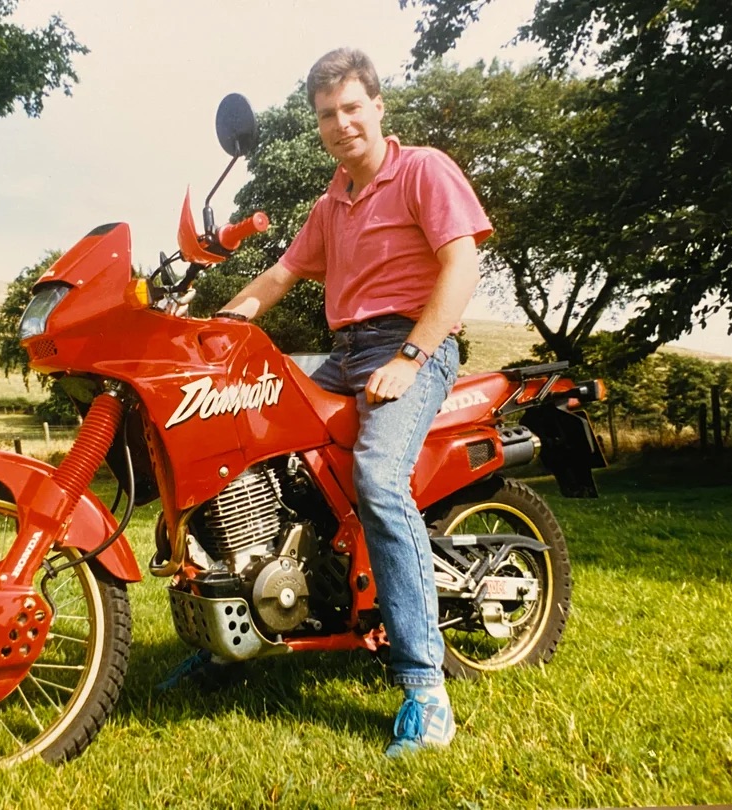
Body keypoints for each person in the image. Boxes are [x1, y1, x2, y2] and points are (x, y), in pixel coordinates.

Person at [214, 47, 493, 756]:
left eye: (350, 108)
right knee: (240, 429)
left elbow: (463, 262)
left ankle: (425, 689)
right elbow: (278, 276)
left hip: (414, 344)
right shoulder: (329, 202)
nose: (340, 125)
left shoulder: (423, 169)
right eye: (326, 116)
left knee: (377, 477)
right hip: (344, 354)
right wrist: (216, 330)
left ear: (377, 107)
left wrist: (411, 355)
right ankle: (231, 624)